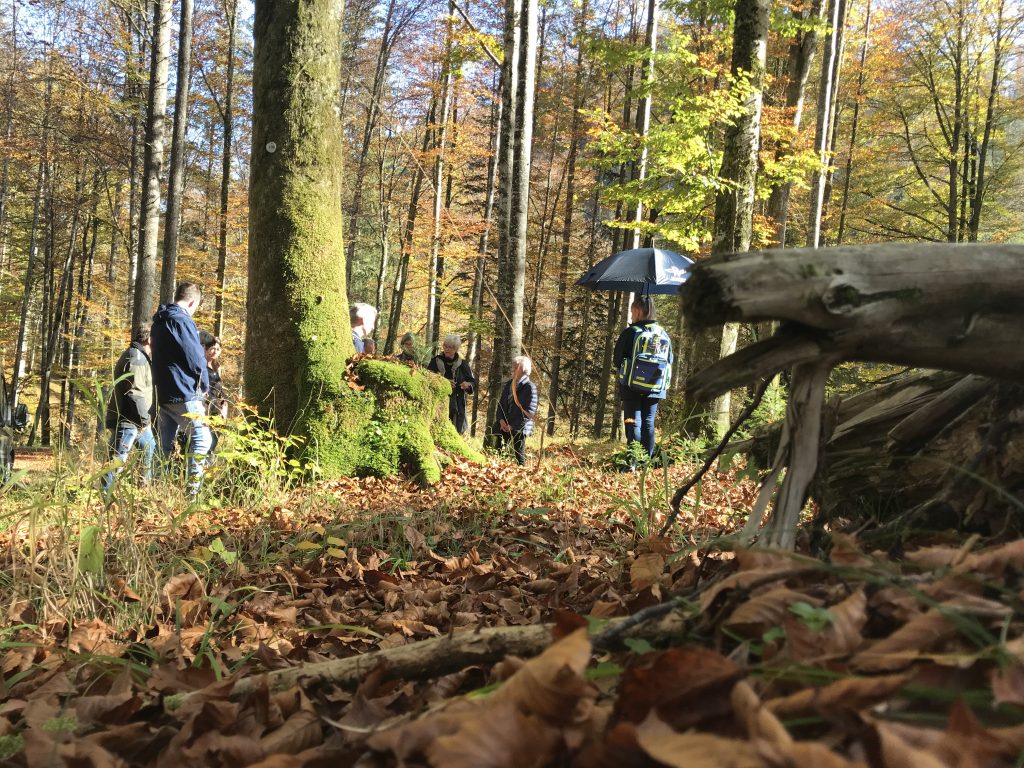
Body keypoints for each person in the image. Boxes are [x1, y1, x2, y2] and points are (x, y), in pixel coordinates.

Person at [151, 282, 212, 498]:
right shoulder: (182, 320)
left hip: (165, 394)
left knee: (165, 447)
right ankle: (192, 496)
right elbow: (195, 357)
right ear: (193, 301)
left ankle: (155, 491)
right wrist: (204, 384)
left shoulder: (159, 322)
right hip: (184, 392)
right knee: (202, 439)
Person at [613, 295, 673, 461]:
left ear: (638, 311)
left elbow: (617, 359)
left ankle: (633, 461)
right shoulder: (663, 334)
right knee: (648, 422)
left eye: (632, 312)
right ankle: (646, 461)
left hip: (631, 386)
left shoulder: (631, 333)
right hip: (655, 386)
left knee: (633, 421)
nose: (632, 316)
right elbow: (670, 360)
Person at [102, 325, 157, 495]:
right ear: (149, 340)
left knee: (149, 447)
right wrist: (145, 421)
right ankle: (105, 495)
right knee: (117, 459)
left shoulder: (139, 356)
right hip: (129, 420)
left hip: (135, 420)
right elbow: (135, 392)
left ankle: (142, 490)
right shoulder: (136, 358)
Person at [491, 355, 539, 466]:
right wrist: (501, 420)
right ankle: (498, 471)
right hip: (505, 424)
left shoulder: (530, 387)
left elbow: (529, 412)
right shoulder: (509, 384)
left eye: (516, 367)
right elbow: (501, 404)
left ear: (524, 369)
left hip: (520, 427)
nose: (513, 369)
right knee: (499, 450)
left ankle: (522, 474)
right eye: (514, 366)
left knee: (519, 454)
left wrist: (513, 426)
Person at [427, 334, 477, 434]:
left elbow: (473, 382)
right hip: (439, 401)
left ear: (456, 349)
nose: (447, 349)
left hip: (457, 403)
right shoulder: (435, 361)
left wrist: (467, 384)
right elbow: (427, 379)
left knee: (456, 432)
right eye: (445, 346)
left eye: (451, 347)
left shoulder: (463, 364)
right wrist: (443, 382)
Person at [201, 333, 228, 419]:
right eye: (212, 348)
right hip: (204, 408)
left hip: (217, 409)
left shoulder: (218, 367)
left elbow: (220, 389)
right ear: (206, 349)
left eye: (218, 349)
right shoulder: (201, 366)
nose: (215, 351)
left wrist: (224, 405)